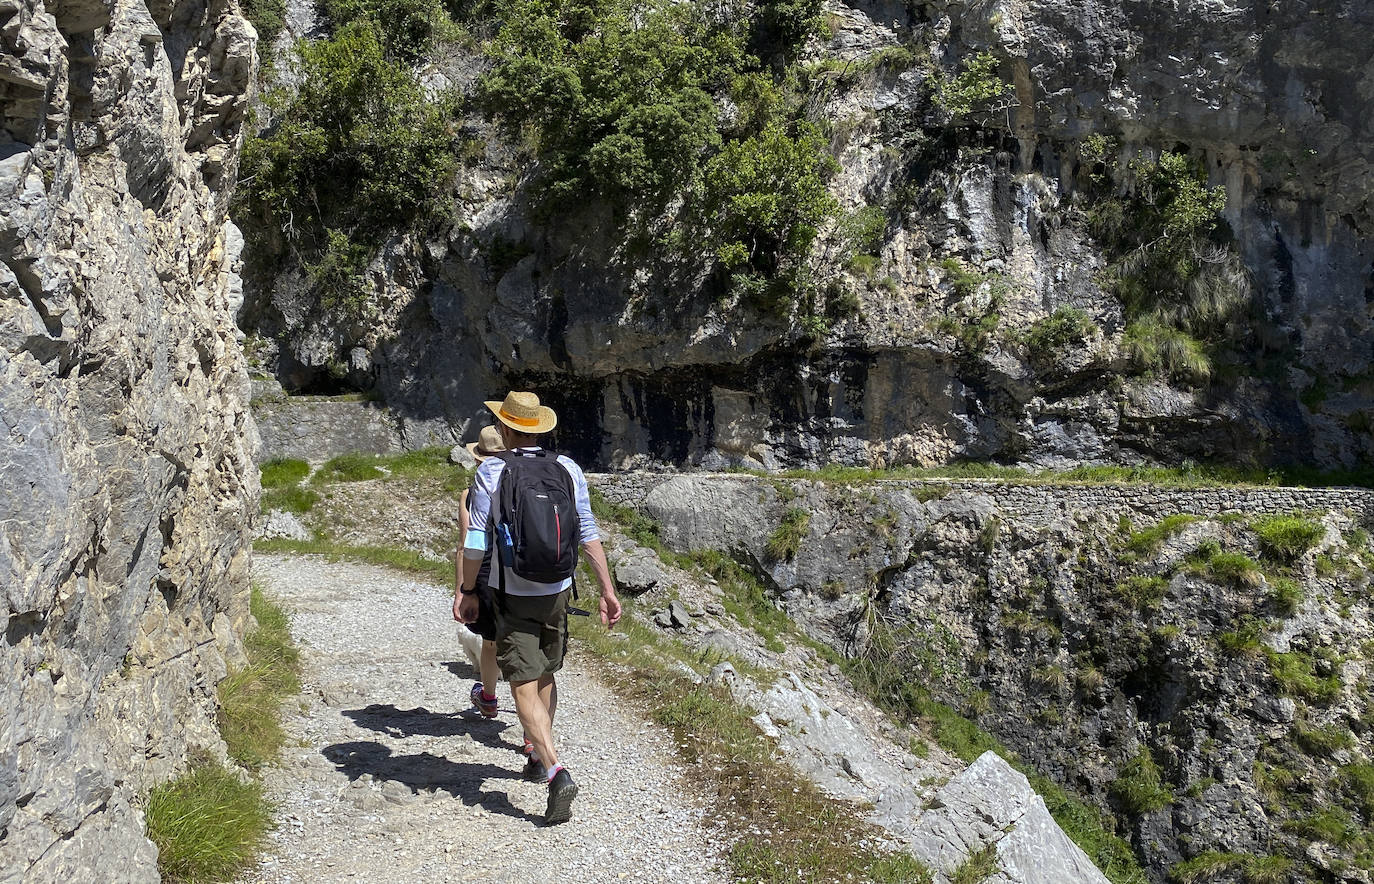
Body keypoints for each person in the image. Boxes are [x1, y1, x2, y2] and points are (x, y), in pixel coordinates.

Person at [455, 391, 622, 826]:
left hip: (511, 592)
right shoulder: (568, 468)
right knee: (545, 672)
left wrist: (467, 589)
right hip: (558, 591)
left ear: (507, 429)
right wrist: (607, 589)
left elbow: (475, 541)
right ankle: (534, 752)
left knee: (522, 684)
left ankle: (554, 770)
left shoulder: (492, 470)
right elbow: (587, 531)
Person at [452, 424, 506, 718]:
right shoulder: (522, 481)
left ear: (477, 459)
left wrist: (462, 591)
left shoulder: (469, 494)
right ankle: (532, 731)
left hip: (485, 576)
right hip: (522, 573)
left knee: (490, 642)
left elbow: (465, 545)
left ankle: (488, 696)